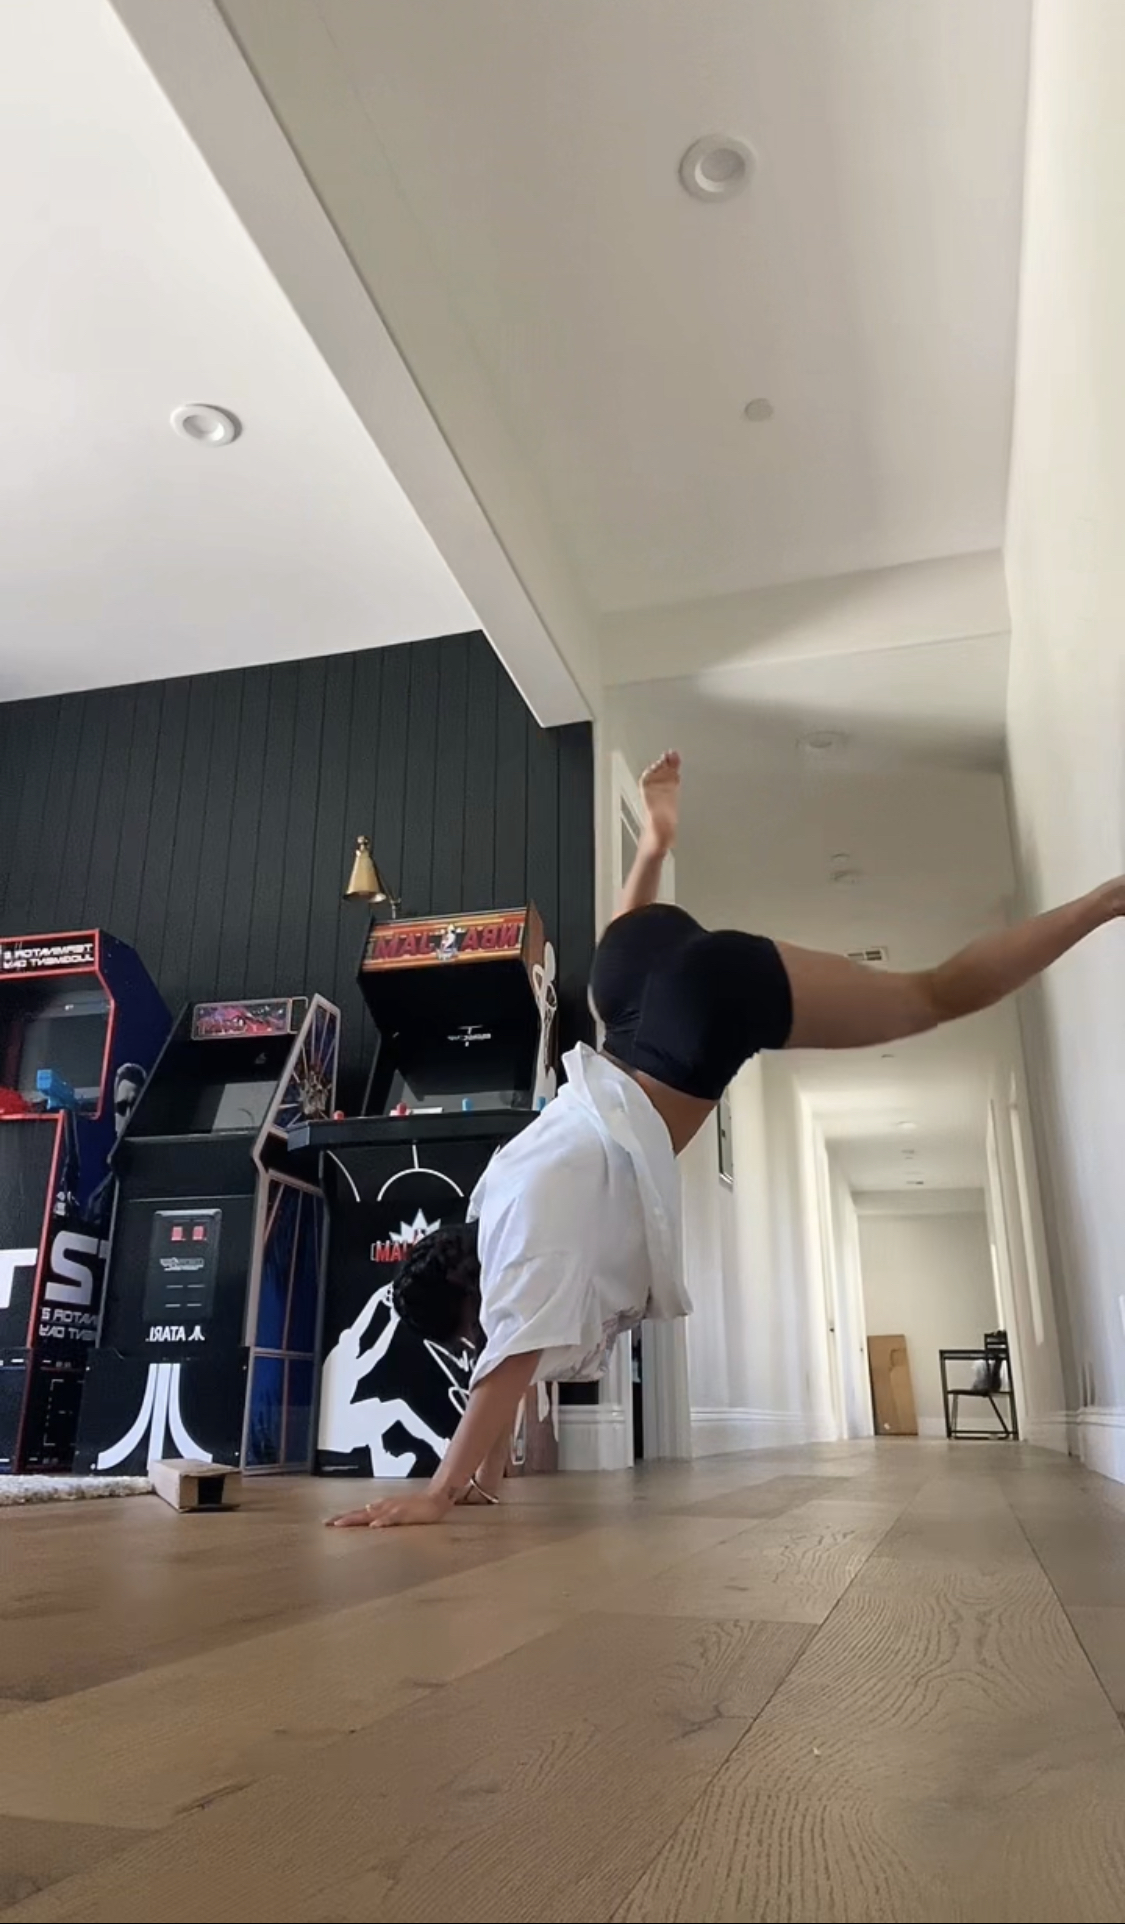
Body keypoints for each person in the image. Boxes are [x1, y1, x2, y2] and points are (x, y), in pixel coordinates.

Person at [330, 749, 1124, 1530]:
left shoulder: (526, 1253)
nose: (479, 1343)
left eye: (468, 1330)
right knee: (665, 983)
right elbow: (503, 1358)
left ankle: (1103, 902)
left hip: (697, 1015)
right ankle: (653, 844)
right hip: (625, 974)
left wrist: (436, 1493)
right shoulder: (498, 1193)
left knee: (931, 994)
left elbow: (504, 1360)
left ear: (470, 1302)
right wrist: (483, 1477)